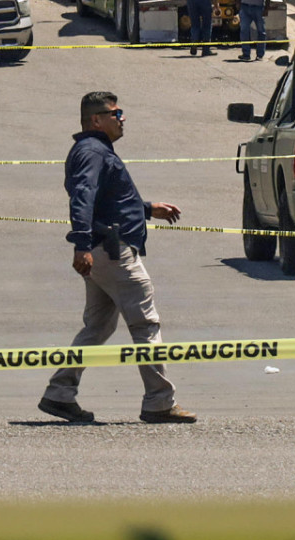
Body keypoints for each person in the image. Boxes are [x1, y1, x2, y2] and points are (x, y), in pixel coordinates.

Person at [38, 91, 197, 425]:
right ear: (96, 119)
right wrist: (81, 244)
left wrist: (148, 209)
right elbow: (83, 197)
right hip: (112, 251)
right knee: (145, 323)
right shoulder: (92, 151)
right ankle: (159, 402)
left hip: (101, 250)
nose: (122, 118)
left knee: (98, 326)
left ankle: (59, 393)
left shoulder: (93, 151)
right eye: (116, 113)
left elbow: (109, 200)